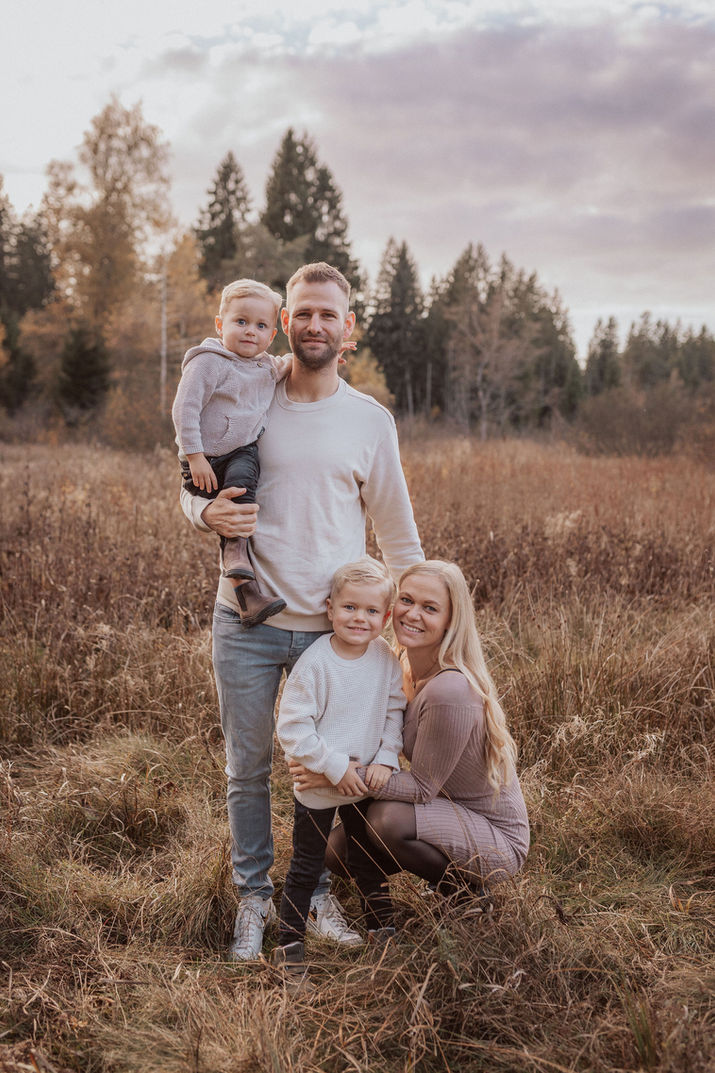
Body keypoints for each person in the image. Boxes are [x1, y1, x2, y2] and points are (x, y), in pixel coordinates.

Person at [180, 262, 423, 961]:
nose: (314, 324)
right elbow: (193, 483)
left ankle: (311, 891)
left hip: (332, 634)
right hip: (245, 622)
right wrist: (203, 510)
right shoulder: (247, 386)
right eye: (302, 312)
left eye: (328, 314)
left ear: (348, 329)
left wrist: (417, 640)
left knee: (322, 769)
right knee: (247, 766)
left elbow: (398, 537)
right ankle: (254, 899)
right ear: (284, 320)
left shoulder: (368, 422)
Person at [291, 560, 530, 922]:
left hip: (495, 837)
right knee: (336, 851)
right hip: (444, 808)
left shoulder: (450, 690)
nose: (413, 614)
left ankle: (465, 893)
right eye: (406, 600)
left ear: (450, 620)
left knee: (387, 821)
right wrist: (330, 761)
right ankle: (438, 880)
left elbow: (421, 787)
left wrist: (336, 776)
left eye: (430, 608)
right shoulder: (399, 665)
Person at [272, 557, 405, 991]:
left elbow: (393, 710)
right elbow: (292, 728)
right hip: (321, 786)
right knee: (306, 866)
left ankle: (383, 931)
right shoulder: (315, 663)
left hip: (367, 781)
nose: (359, 619)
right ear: (329, 608)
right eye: (349, 608)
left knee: (366, 856)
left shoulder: (385, 657)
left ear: (385, 617)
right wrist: (334, 767)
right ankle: (288, 949)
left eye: (370, 611)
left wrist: (385, 758)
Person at [172, 278, 289, 624]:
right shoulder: (209, 362)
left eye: (260, 325)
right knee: (233, 497)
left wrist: (332, 354)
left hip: (239, 453)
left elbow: (290, 364)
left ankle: (238, 563)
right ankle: (238, 565)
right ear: (220, 325)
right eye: (241, 322)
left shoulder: (266, 366)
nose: (250, 331)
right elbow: (184, 408)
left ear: (271, 336)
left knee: (243, 485)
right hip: (204, 459)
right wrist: (194, 456)